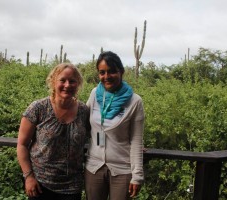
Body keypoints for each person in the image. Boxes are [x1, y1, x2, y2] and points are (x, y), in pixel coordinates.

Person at [17, 63, 90, 200]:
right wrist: (29, 176)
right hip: (40, 184)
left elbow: (99, 134)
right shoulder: (38, 108)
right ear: (53, 81)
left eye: (72, 81)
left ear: (78, 84)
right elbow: (21, 145)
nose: (67, 85)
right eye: (62, 80)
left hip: (72, 187)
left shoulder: (84, 111)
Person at [85, 51, 145, 200]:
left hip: (122, 169)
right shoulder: (94, 94)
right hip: (94, 167)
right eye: (102, 72)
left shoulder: (135, 101)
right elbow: (83, 122)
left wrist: (137, 175)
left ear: (121, 72)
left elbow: (136, 140)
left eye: (112, 71)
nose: (107, 76)